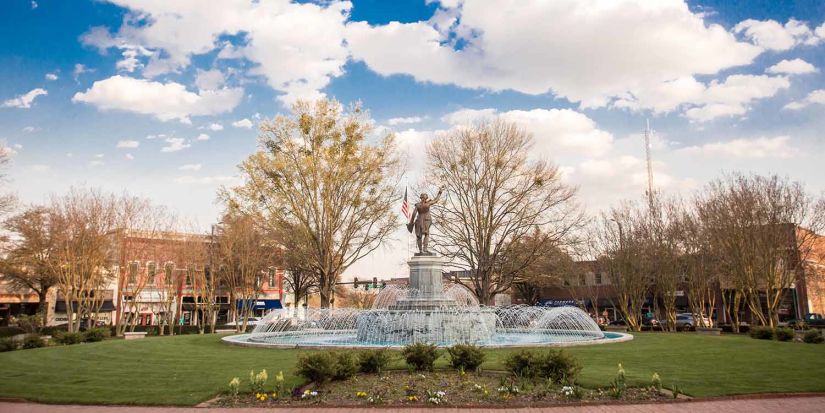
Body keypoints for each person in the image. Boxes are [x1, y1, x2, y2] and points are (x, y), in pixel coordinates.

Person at [407, 188, 444, 254]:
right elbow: (436, 200)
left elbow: (414, 214)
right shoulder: (428, 203)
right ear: (425, 198)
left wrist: (411, 222)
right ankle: (424, 249)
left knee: (419, 236)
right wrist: (439, 193)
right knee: (426, 234)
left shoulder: (418, 205)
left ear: (421, 198)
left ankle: (421, 250)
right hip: (426, 220)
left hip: (419, 220)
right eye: (426, 197)